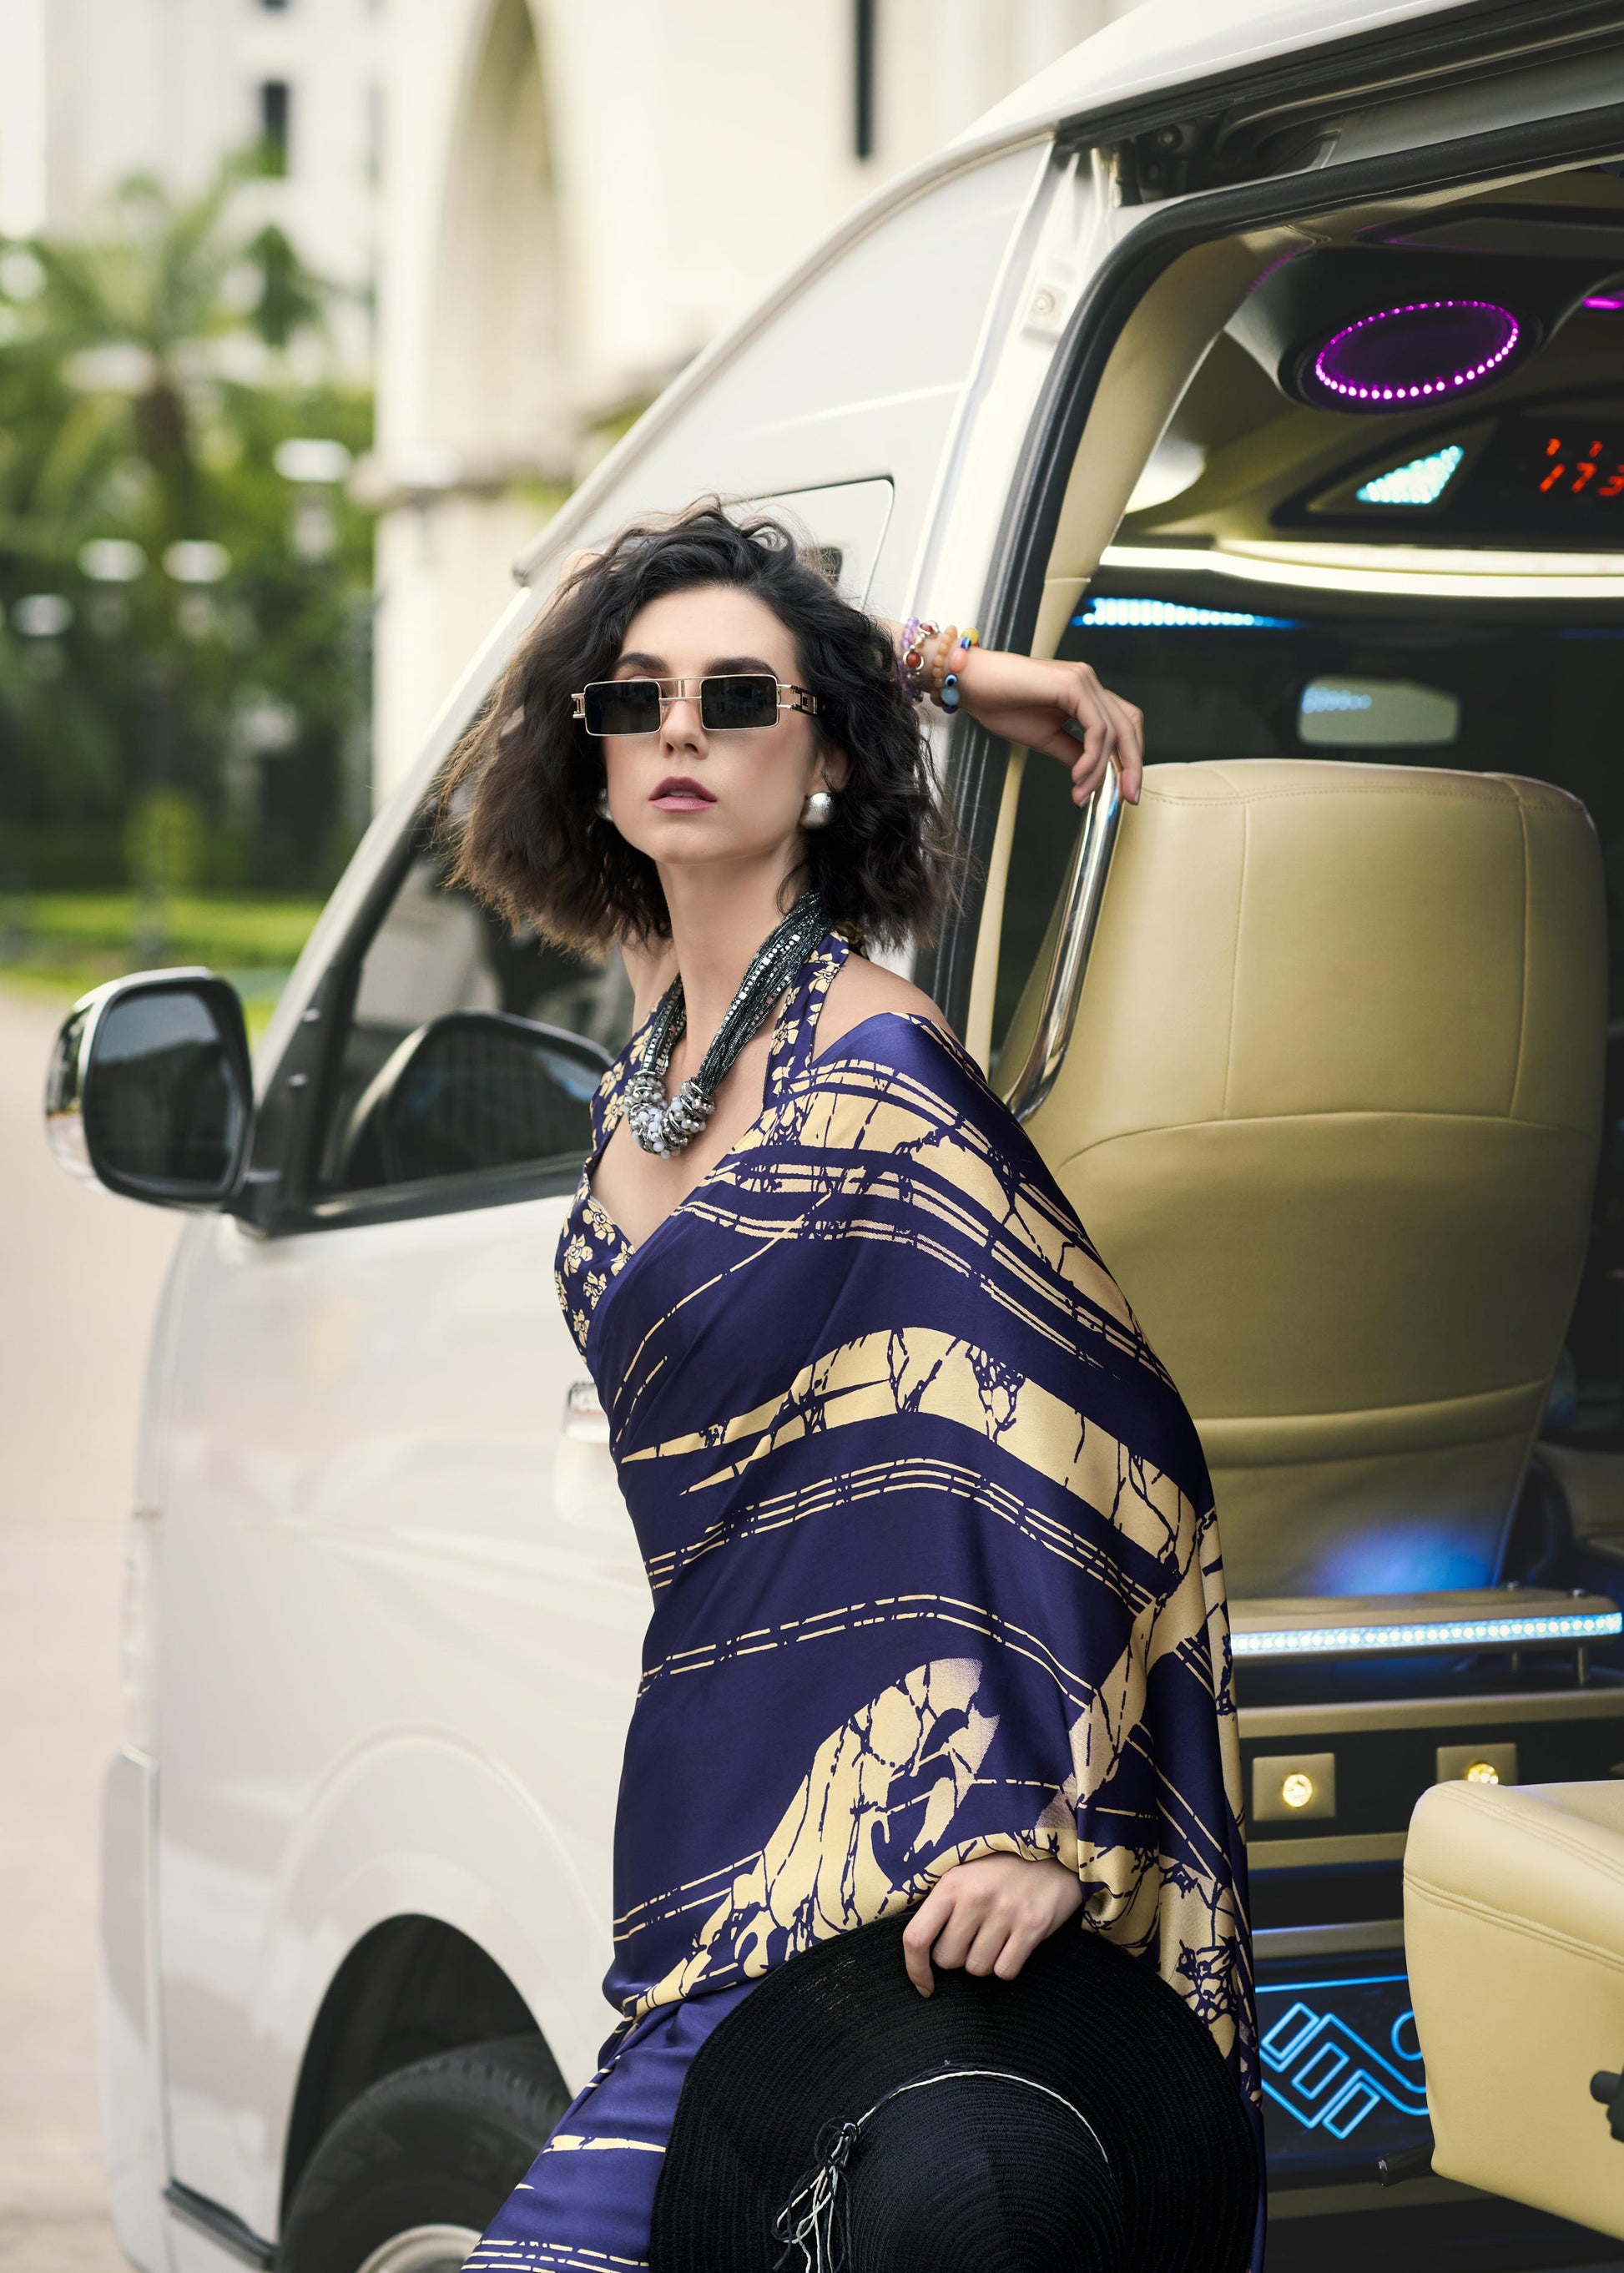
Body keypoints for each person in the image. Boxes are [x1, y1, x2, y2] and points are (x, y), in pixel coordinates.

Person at [440, 502, 1258, 2273]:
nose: (679, 729)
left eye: (740, 700)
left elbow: (1093, 1438)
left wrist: (1047, 1819)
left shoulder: (878, 1063)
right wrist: (950, 669)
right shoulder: (654, 1049)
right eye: (637, 701)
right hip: (708, 1794)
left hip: (897, 1837)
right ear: (588, 755)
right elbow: (567, 614)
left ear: (822, 761)